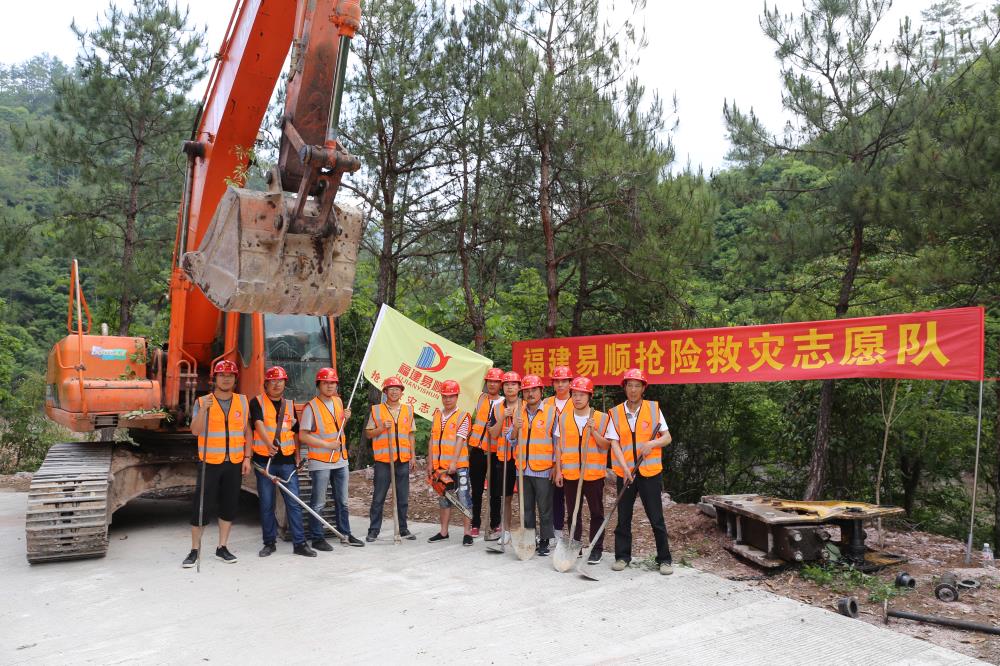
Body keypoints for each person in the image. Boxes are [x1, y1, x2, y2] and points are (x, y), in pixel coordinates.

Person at [183, 359, 252, 568]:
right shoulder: (202, 401)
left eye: (230, 375)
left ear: (235, 379)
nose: (226, 378)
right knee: (201, 508)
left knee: (229, 505)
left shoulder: (242, 401)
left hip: (234, 462)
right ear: (215, 379)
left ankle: (222, 547)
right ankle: (194, 549)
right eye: (222, 375)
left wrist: (247, 457)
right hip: (210, 462)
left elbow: (247, 430)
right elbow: (195, 431)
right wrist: (204, 411)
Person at [607, 368, 674, 575]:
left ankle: (664, 560)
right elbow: (614, 443)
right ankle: (622, 557)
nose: (633, 390)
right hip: (626, 472)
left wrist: (652, 443)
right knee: (623, 517)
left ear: (643, 388)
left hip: (650, 473)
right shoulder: (615, 412)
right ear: (624, 388)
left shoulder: (654, 409)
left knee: (656, 518)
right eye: (630, 386)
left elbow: (667, 437)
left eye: (637, 386)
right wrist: (625, 468)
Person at [250, 366, 315, 558]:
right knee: (267, 504)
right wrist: (269, 444)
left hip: (287, 462)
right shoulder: (257, 402)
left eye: (280, 380)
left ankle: (300, 543)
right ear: (266, 384)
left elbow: (293, 432)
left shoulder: (289, 404)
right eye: (272, 380)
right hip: (265, 462)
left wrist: (296, 455)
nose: (277, 384)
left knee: (294, 503)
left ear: (285, 383)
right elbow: (258, 424)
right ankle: (269, 543)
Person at [298, 367, 365, 551]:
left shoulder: (338, 401)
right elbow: (303, 436)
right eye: (325, 382)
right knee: (318, 502)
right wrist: (326, 445)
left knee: (342, 501)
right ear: (318, 385)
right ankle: (317, 538)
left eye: (332, 382)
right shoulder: (311, 407)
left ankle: (345, 533)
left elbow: (337, 428)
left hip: (340, 459)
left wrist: (347, 418)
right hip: (321, 461)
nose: (329, 386)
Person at [553, 376, 612, 564]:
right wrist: (558, 470)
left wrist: (594, 432)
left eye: (581, 394)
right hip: (571, 475)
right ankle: (574, 545)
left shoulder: (602, 419)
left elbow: (606, 446)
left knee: (596, 513)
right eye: (574, 394)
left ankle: (596, 549)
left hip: (593, 476)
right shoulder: (563, 418)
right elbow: (559, 446)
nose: (577, 398)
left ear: (589, 396)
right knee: (573, 513)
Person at [507, 374, 557, 556]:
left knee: (544, 508)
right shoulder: (518, 412)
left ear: (541, 391)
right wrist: (515, 429)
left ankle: (544, 540)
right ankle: (529, 538)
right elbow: (511, 440)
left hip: (543, 468)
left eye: (534, 389)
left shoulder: (551, 412)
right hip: (522, 468)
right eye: (527, 390)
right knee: (526, 507)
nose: (530, 393)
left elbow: (557, 442)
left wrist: (556, 466)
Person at [365, 376, 416, 541]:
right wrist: (381, 428)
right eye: (390, 389)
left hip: (402, 459)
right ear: (385, 392)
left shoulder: (408, 410)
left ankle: (403, 528)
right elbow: (368, 433)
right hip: (383, 461)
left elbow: (410, 434)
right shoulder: (377, 410)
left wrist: (413, 456)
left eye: (397, 389)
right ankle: (373, 530)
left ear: (401, 392)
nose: (394, 392)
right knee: (378, 497)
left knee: (402, 497)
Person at [427, 380, 474, 545]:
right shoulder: (437, 415)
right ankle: (443, 532)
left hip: (458, 466)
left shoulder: (463, 416)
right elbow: (432, 439)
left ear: (457, 397)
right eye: (445, 396)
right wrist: (430, 462)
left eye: (451, 396)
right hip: (440, 467)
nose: (448, 399)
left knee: (463, 497)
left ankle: (467, 533)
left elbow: (461, 440)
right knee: (443, 498)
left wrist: (453, 462)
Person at [467, 368, 503, 538]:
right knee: (476, 489)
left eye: (495, 381)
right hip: (478, 450)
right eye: (489, 381)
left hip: (495, 452)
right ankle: (475, 523)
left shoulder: (504, 403)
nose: (492, 384)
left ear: (500, 384)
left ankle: (495, 523)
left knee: (495, 490)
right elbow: (469, 384)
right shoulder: (480, 398)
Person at [486, 371, 521, 542]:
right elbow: (492, 433)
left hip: (523, 459)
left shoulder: (525, 405)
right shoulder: (497, 407)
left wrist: (514, 428)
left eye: (513, 384)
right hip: (504, 457)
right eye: (507, 384)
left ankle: (525, 531)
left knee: (525, 497)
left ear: (519, 387)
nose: (510, 387)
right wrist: (503, 418)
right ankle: (506, 531)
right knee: (506, 497)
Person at [543, 365, 572, 535]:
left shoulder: (576, 402)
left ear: (570, 383)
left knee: (571, 497)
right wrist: (554, 462)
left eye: (564, 381)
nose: (560, 384)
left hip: (571, 458)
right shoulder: (546, 403)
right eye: (557, 381)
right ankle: (556, 531)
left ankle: (571, 532)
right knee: (552, 496)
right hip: (548, 458)